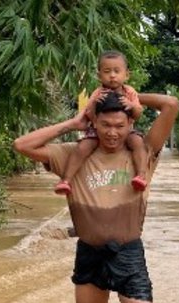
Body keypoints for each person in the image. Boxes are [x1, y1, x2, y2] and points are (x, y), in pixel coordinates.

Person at [13, 89, 179, 303]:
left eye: (119, 126)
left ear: (130, 126)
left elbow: (171, 104)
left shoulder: (143, 153)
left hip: (128, 256)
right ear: (94, 123)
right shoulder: (73, 155)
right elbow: (21, 144)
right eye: (105, 125)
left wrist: (132, 97)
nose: (112, 133)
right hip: (90, 256)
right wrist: (72, 124)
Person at [53, 51, 149, 196]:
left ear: (126, 75)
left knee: (137, 142)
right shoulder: (98, 93)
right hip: (97, 131)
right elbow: (90, 116)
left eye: (117, 71)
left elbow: (138, 113)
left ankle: (141, 176)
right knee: (82, 147)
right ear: (99, 76)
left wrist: (132, 105)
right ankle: (66, 180)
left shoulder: (130, 92)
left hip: (125, 131)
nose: (112, 75)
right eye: (107, 71)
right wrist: (94, 105)